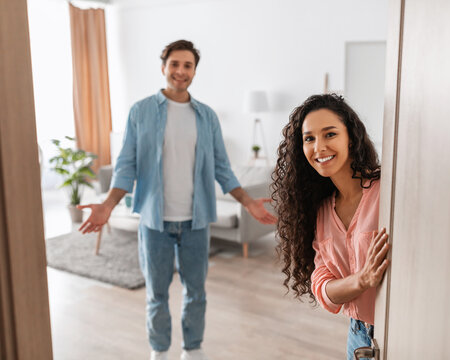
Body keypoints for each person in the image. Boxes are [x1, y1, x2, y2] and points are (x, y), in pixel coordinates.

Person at [78, 40, 276, 360]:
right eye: (175, 64)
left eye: (187, 65)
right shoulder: (141, 112)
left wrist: (247, 201)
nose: (180, 71)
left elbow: (222, 167)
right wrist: (108, 205)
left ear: (195, 71)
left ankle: (192, 349)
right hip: (155, 223)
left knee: (195, 292)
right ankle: (159, 351)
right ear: (163, 67)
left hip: (196, 222)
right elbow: (126, 165)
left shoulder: (207, 116)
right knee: (156, 294)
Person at [271, 93, 390, 360]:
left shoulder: (386, 192)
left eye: (330, 134)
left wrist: (349, 284)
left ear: (351, 137)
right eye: (309, 138)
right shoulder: (323, 210)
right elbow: (322, 287)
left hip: (396, 332)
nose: (319, 147)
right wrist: (361, 280)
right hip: (358, 336)